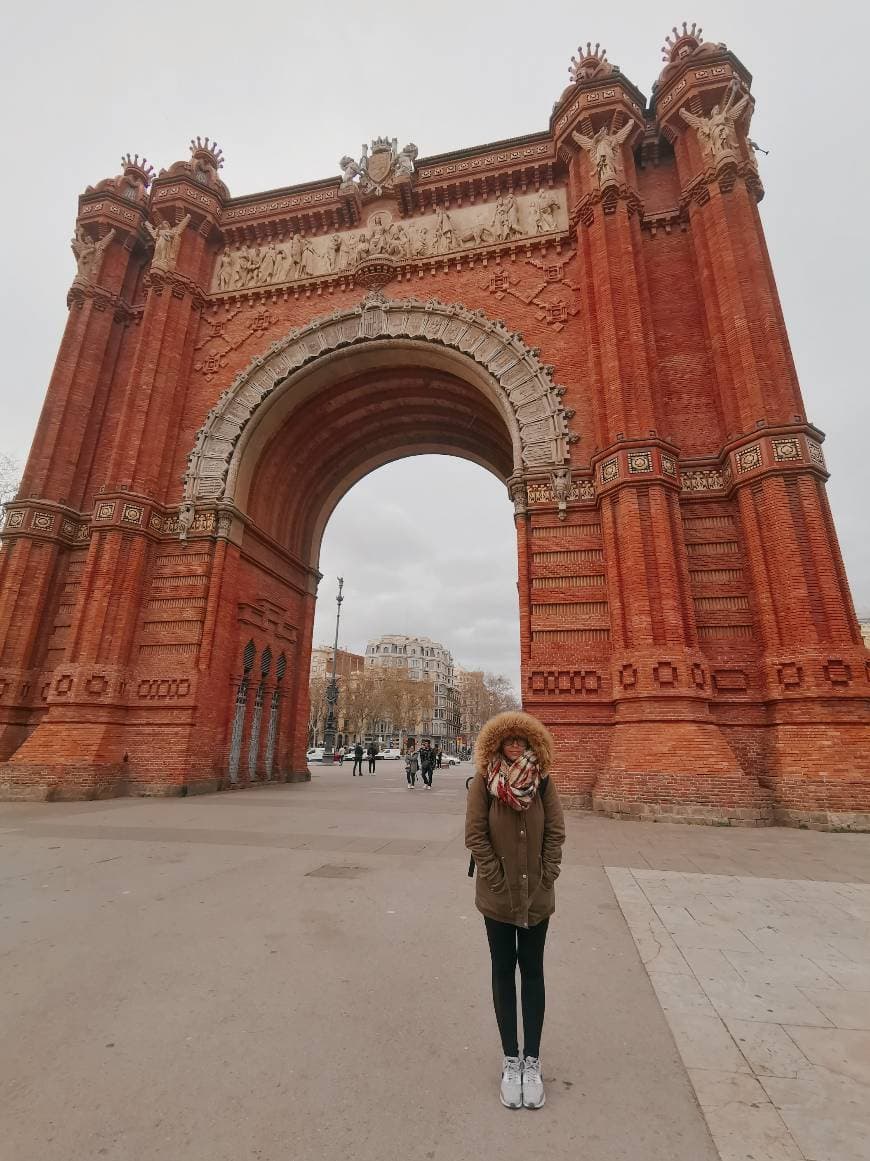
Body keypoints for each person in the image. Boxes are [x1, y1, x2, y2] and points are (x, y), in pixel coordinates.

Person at [465, 711, 566, 1110]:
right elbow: (475, 833)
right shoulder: (484, 783)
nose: (515, 745)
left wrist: (547, 874)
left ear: (532, 744)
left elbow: (556, 831)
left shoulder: (542, 781)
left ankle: (532, 1063)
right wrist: (494, 875)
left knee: (534, 972)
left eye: (521, 740)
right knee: (503, 972)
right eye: (508, 739)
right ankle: (511, 1060)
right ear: (496, 743)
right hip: (497, 897)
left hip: (537, 895)